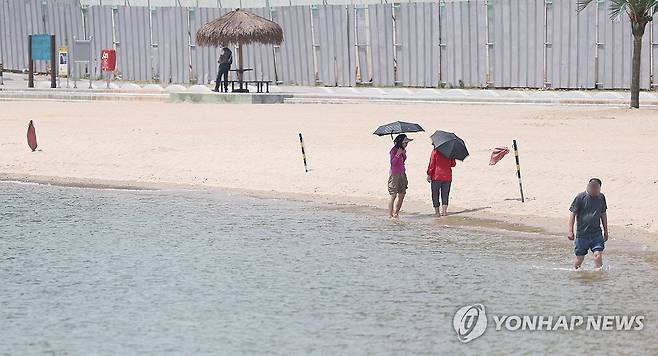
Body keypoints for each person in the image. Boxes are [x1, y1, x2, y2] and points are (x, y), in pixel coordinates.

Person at [568, 178, 609, 270]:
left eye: (596, 188)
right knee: (580, 259)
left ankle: (599, 276)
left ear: (599, 188)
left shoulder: (601, 198)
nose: (593, 189)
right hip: (582, 235)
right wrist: (570, 231)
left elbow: (603, 214)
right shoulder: (580, 197)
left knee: (597, 256)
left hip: (596, 234)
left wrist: (606, 231)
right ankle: (575, 273)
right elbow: (572, 213)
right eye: (591, 187)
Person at [426, 147, 456, 216]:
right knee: (445, 194)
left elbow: (432, 164)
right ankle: (444, 212)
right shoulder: (450, 152)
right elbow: (453, 164)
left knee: (435, 194)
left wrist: (429, 174)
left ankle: (437, 212)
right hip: (447, 176)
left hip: (436, 176)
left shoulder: (435, 151)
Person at [388, 134, 412, 219]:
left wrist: (403, 154)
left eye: (406, 143)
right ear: (400, 142)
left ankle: (396, 213)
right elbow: (393, 163)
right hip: (394, 174)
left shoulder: (402, 150)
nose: (406, 144)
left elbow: (403, 160)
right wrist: (398, 154)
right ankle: (390, 215)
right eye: (405, 142)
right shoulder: (393, 150)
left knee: (402, 193)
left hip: (402, 173)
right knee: (393, 195)